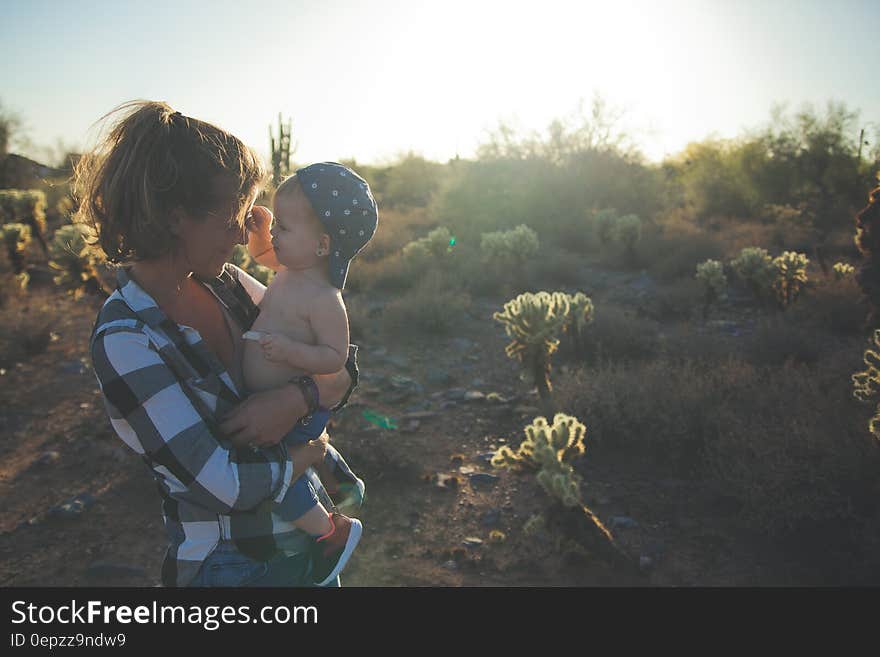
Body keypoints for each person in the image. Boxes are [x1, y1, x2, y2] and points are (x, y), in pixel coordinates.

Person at [77, 100, 359, 587]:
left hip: (304, 547)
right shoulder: (126, 338)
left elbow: (341, 365)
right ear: (172, 217)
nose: (240, 236)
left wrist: (297, 397)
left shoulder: (228, 284)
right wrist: (307, 452)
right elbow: (222, 483)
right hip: (233, 566)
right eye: (232, 219)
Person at [240, 163, 376, 584]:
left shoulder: (323, 299)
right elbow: (263, 254)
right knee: (302, 451)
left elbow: (335, 357)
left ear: (321, 245)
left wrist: (291, 351)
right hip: (283, 407)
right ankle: (338, 472)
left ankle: (330, 532)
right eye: (277, 224)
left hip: (293, 410)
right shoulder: (289, 269)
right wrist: (261, 229)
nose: (276, 235)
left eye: (284, 226)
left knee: (280, 476)